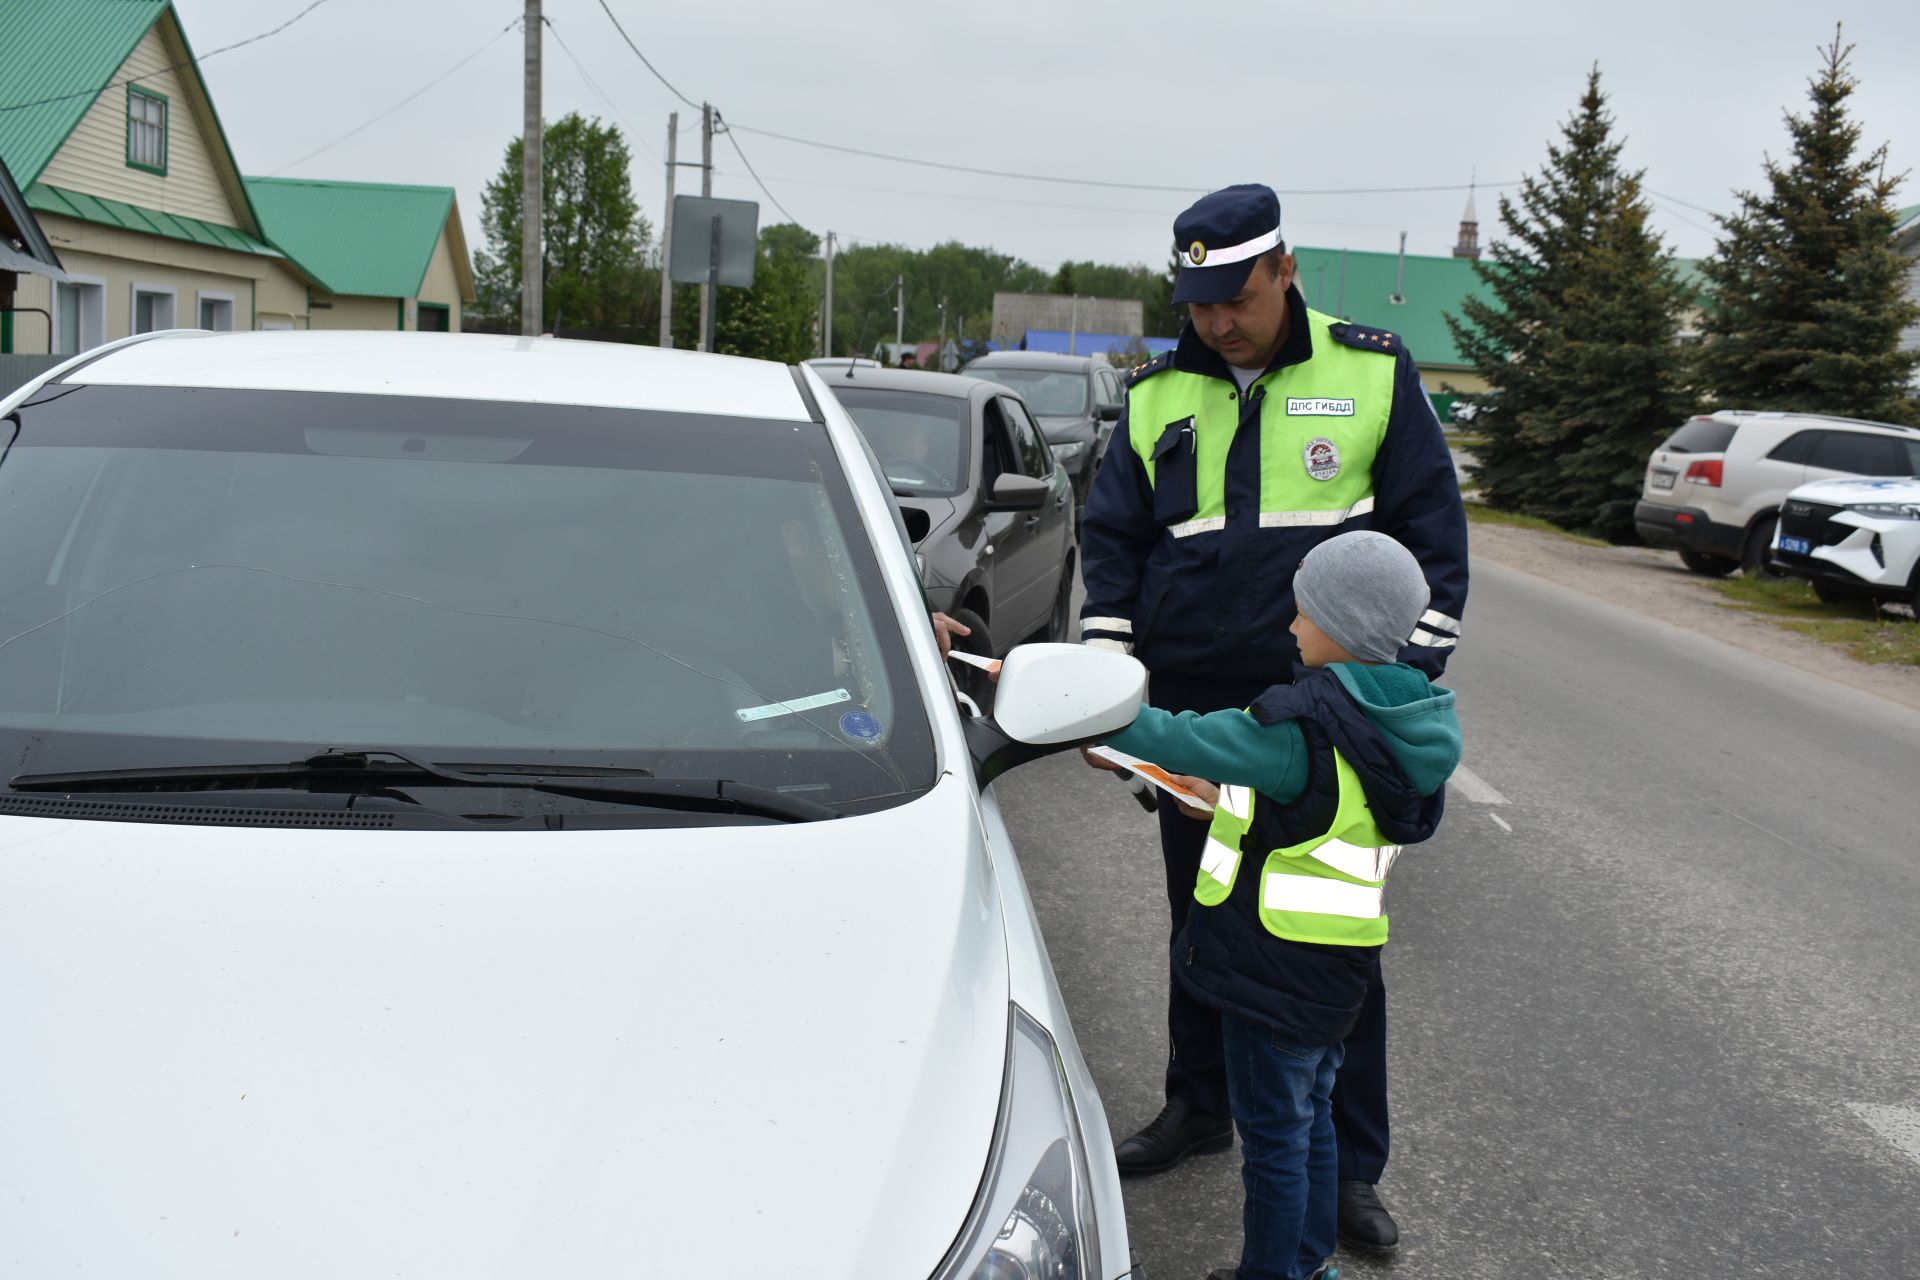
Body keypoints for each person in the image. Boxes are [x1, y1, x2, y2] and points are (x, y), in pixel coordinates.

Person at [1077, 183, 1467, 1251]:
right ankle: (1202, 1104)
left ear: (1284, 269)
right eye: (1195, 302)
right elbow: (1114, 541)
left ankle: (1347, 1168)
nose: (1214, 322)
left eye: (1233, 297)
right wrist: (1113, 684)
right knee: (1203, 917)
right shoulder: (1157, 390)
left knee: (1329, 935)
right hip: (1206, 716)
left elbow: (1434, 547)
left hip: (1330, 727)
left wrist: (1392, 698)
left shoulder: (1372, 367)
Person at [1098, 531, 1461, 1280]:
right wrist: (1226, 802)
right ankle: (1309, 1262)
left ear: (1340, 624)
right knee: (1313, 1121)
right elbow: (1322, 811)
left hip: (1268, 973)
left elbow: (1182, 735)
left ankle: (1272, 1276)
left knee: (1272, 1147)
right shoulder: (1406, 725)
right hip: (1338, 971)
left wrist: (1098, 718)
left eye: (1302, 612)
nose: (1291, 626)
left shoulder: (1303, 727)